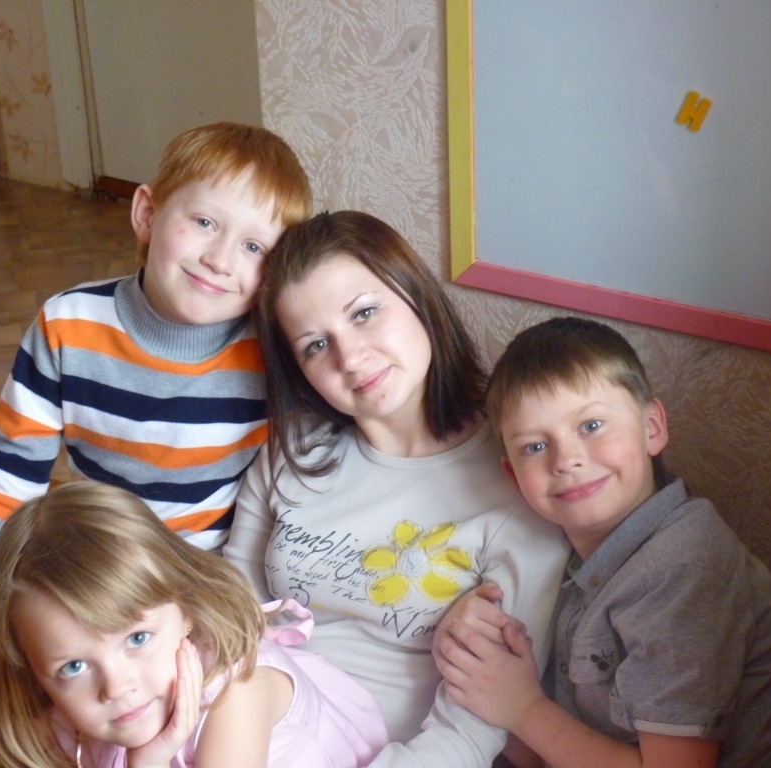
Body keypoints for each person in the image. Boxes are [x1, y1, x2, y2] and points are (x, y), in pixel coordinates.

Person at [0, 122, 312, 764]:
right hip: (86, 571)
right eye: (204, 223)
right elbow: (4, 474)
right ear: (147, 213)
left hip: (195, 597)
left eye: (253, 246)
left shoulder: (274, 358)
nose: (221, 259)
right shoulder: (68, 325)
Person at [223, 210, 571, 767]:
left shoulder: (519, 481)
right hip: (247, 727)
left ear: (416, 295)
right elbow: (233, 609)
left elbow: (475, 728)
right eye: (316, 345)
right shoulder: (296, 449)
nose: (351, 358)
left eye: (364, 313)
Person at [434, 316, 771, 768]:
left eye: (591, 425)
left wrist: (520, 707)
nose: (567, 460)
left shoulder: (684, 573)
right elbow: (545, 745)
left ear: (652, 427)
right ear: (514, 477)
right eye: (534, 447)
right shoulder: (564, 552)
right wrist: (474, 662)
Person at [0, 480, 388, 768]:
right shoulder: (70, 718)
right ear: (34, 674)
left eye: (137, 638)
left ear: (185, 608)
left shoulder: (237, 694)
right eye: (74, 666)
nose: (117, 687)